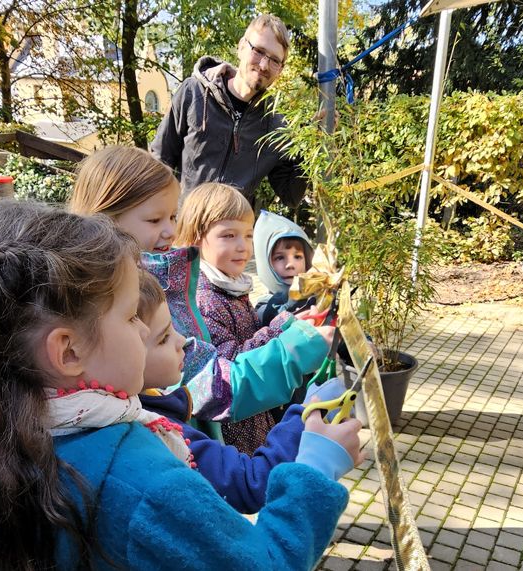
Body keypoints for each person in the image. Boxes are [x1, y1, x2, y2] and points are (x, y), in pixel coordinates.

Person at [0, 200, 363, 570]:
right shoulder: (140, 483)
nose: (143, 332)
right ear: (69, 351)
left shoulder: (7, 437)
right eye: (129, 315)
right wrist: (316, 468)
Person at [69, 146, 331, 430]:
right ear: (106, 221)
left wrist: (284, 328)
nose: (170, 231)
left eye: (172, 217)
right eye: (155, 220)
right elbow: (209, 382)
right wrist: (295, 347)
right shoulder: (140, 300)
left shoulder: (162, 285)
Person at [137, 268, 349, 513]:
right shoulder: (157, 431)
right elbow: (249, 484)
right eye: (164, 338)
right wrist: (306, 419)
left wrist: (285, 327)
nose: (183, 342)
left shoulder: (151, 405)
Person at [175, 183, 301, 453]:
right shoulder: (205, 300)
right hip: (233, 429)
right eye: (229, 235)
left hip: (253, 416)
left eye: (247, 235)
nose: (242, 247)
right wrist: (281, 328)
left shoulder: (231, 286)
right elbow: (231, 363)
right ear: (196, 238)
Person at [151, 14, 306, 207]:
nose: (264, 65)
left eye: (275, 60)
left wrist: (309, 147)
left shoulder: (275, 126)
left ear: (280, 70)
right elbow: (160, 160)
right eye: (258, 51)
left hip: (233, 234)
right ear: (242, 46)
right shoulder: (194, 93)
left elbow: (291, 195)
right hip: (185, 231)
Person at [253, 209, 316, 327]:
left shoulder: (315, 296)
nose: (290, 264)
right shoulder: (265, 309)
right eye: (280, 258)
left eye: (297, 257)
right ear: (266, 263)